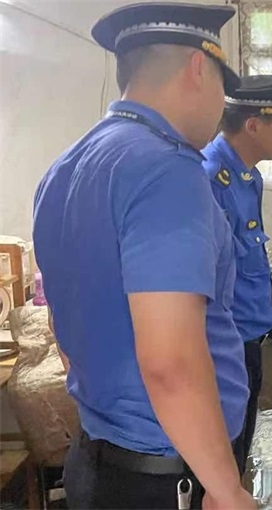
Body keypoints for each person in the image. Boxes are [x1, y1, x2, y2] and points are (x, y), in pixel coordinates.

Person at [32, 3, 254, 509]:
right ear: (199, 68)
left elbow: (63, 323)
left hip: (95, 459)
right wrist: (226, 490)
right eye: (223, 88)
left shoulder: (64, 170)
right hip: (164, 477)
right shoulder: (167, 171)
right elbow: (171, 363)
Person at [202, 72, 272, 476]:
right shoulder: (210, 178)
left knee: (240, 443)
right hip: (222, 344)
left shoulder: (250, 176)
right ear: (253, 125)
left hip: (249, 334)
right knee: (221, 453)